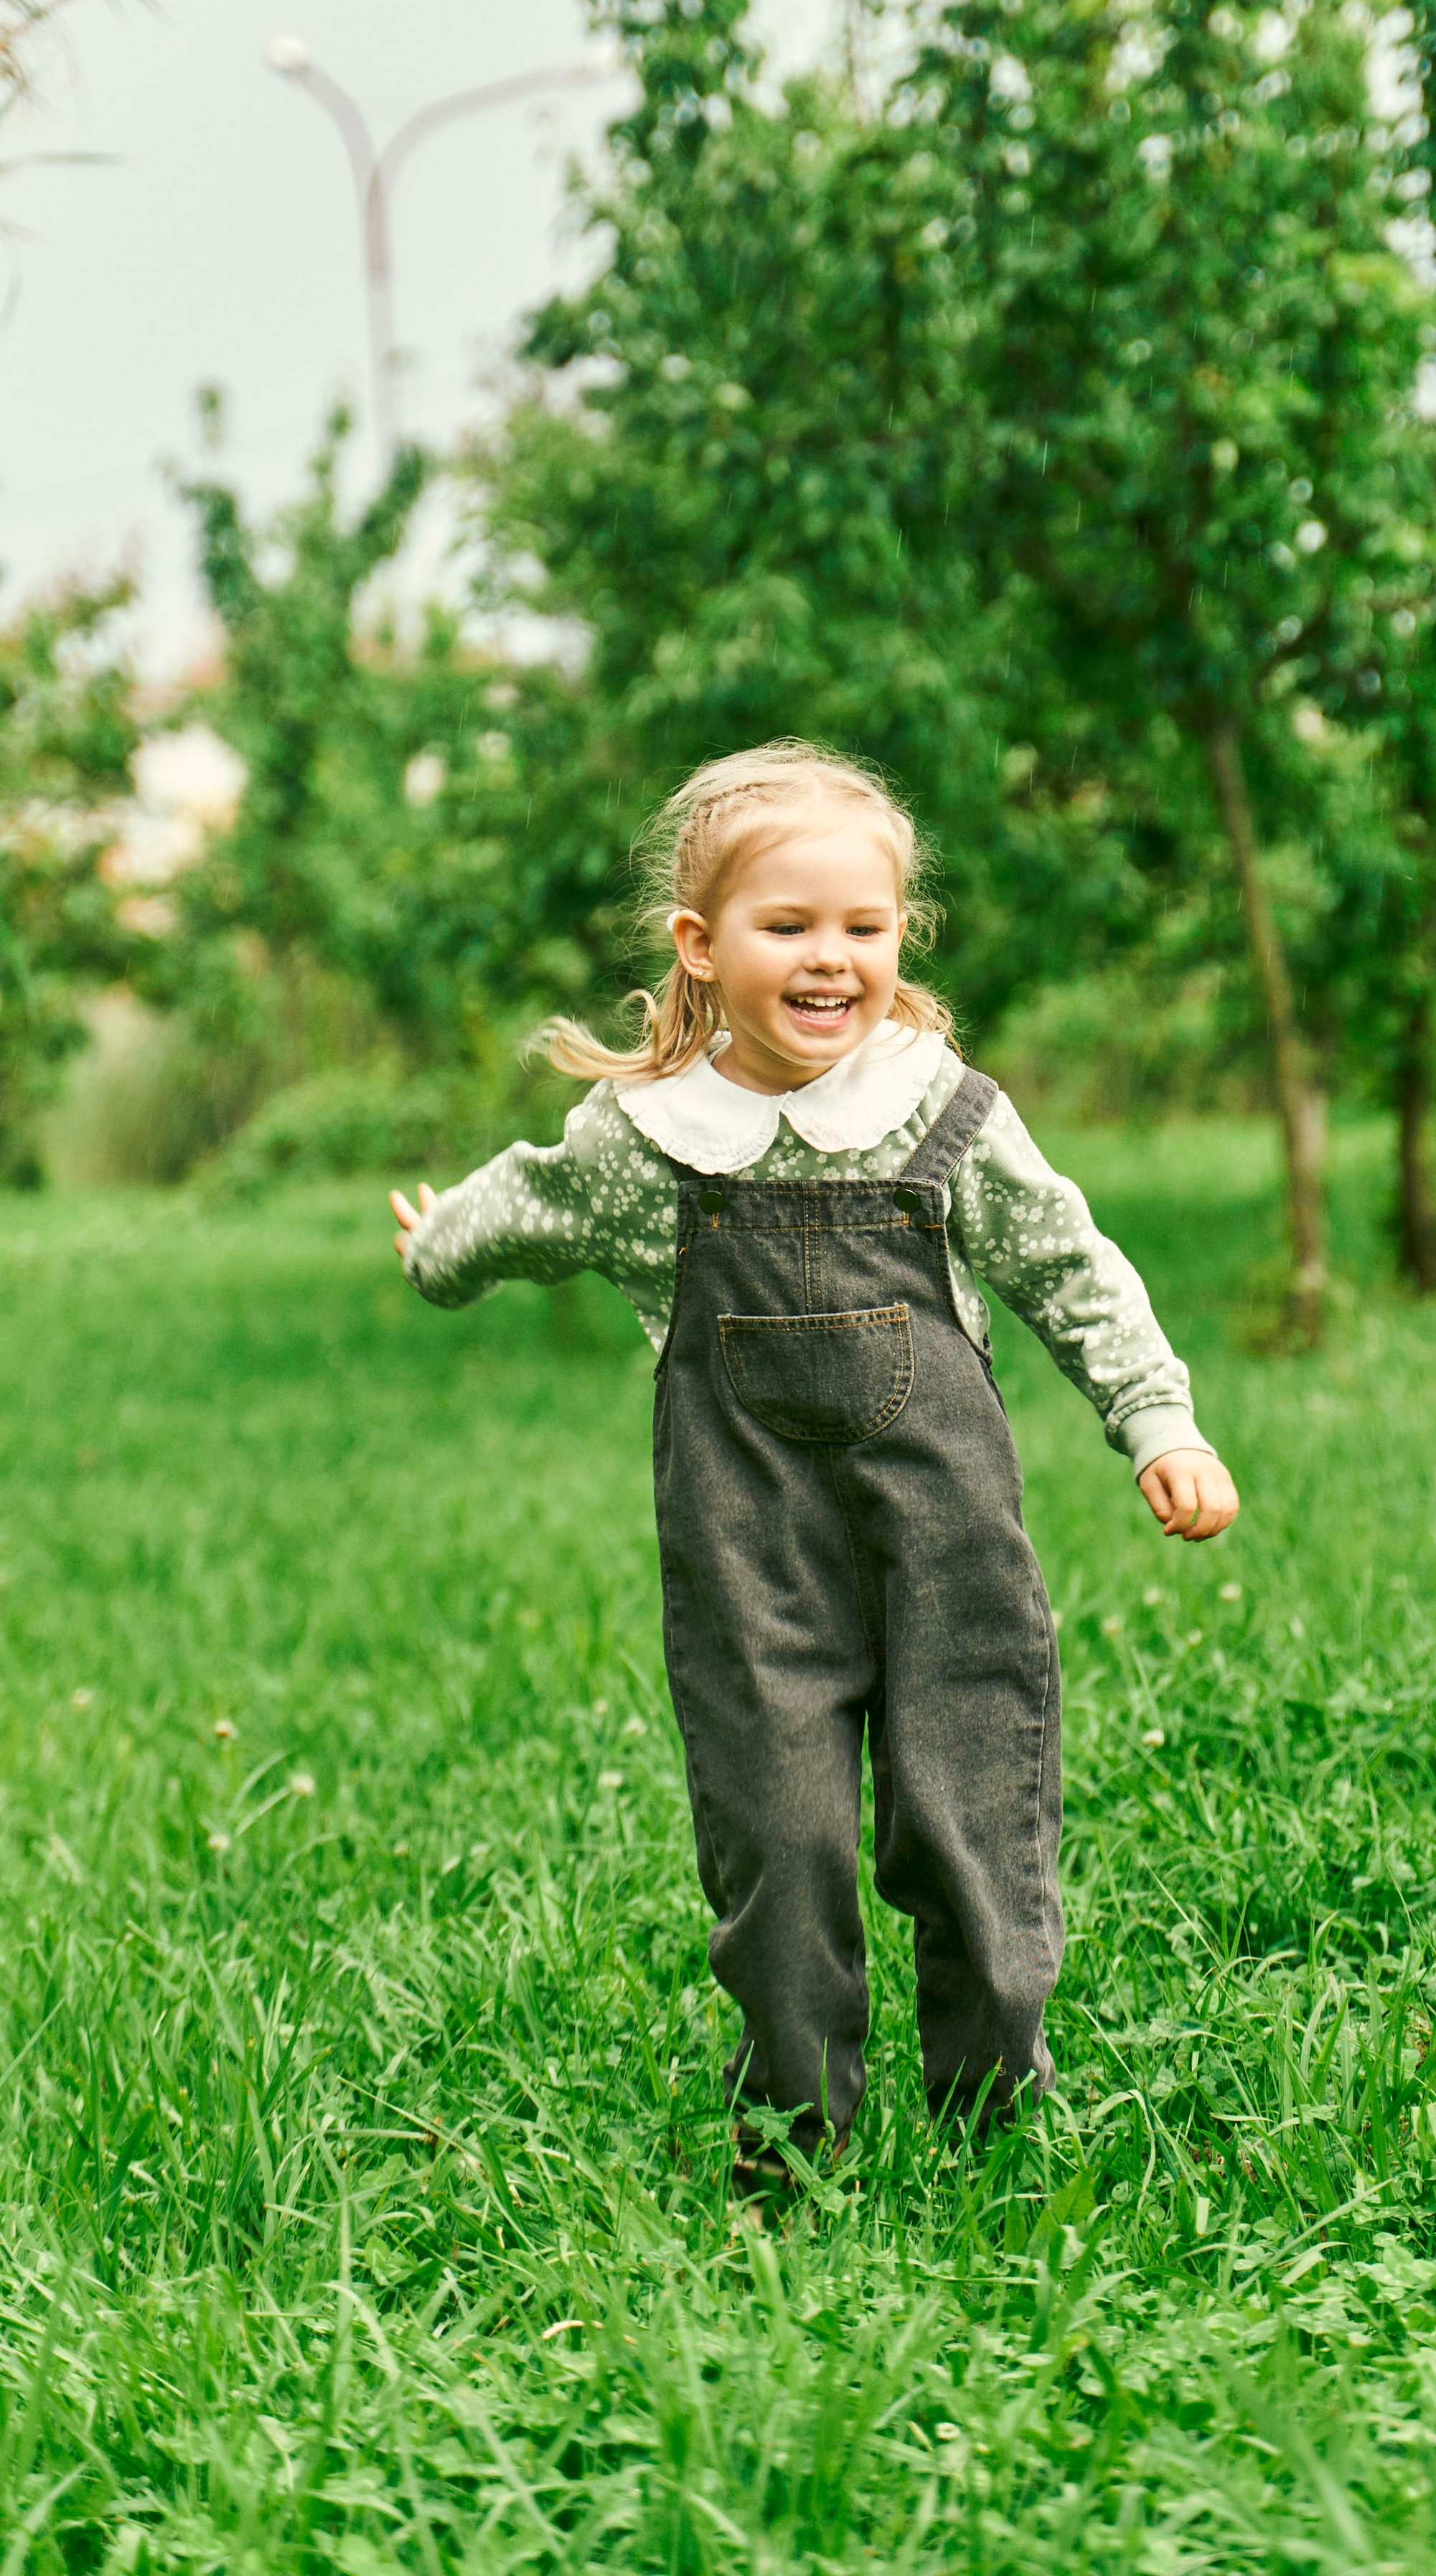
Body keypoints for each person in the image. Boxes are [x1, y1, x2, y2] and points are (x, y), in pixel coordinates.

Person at [390, 740, 1237, 2181]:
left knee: (968, 1813)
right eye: (788, 925)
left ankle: (990, 2119)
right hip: (748, 1559)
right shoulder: (649, 1146)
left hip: (942, 1541)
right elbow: (517, 1208)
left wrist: (1157, 1419)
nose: (831, 956)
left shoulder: (938, 1111)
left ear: (900, 934)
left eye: (865, 924)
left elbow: (1063, 1264)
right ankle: (792, 2140)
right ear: (700, 946)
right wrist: (435, 1253)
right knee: (778, 1843)